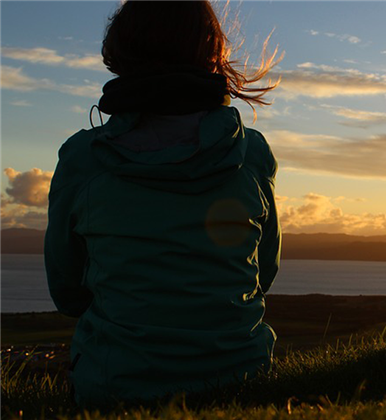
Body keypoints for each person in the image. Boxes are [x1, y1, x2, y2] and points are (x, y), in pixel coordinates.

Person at [44, 0, 281, 406]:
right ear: (211, 52)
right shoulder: (250, 152)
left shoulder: (84, 159)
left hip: (115, 387)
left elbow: (67, 294)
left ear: (121, 51)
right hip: (243, 380)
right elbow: (264, 271)